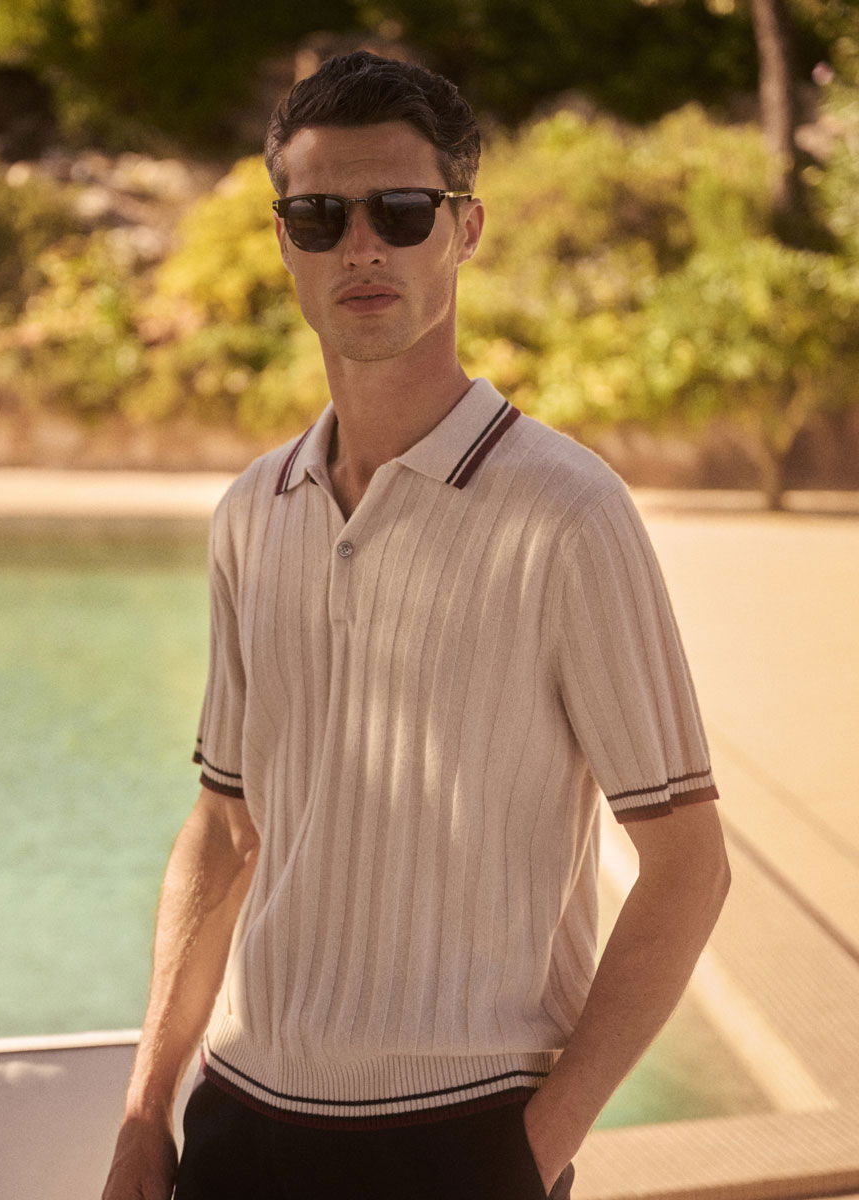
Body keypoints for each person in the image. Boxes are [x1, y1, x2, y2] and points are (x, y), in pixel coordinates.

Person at [101, 49, 731, 1200]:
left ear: (464, 228)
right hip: (239, 1128)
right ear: (283, 237)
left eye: (400, 210)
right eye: (318, 214)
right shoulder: (253, 511)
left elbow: (688, 866)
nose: (361, 246)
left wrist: (527, 1156)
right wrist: (147, 1109)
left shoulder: (569, 513)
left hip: (464, 1143)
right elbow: (225, 828)